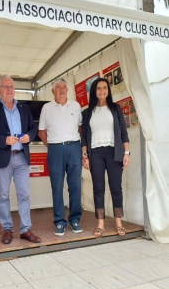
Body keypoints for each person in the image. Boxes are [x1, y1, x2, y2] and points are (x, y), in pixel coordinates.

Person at [0, 75, 41, 245]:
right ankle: (7, 229)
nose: (9, 89)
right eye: (5, 86)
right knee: (3, 196)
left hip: (21, 157)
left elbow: (32, 128)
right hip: (1, 159)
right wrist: (4, 140)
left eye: (11, 86)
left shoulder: (23, 108)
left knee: (24, 195)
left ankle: (25, 230)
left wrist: (29, 137)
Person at [81, 78, 130, 237]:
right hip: (95, 153)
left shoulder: (115, 109)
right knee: (98, 189)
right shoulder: (88, 113)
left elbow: (123, 133)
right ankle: (100, 224)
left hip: (114, 152)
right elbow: (84, 137)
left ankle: (118, 222)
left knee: (116, 188)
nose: (102, 91)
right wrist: (85, 156)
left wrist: (126, 153)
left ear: (108, 91)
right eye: (99, 88)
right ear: (94, 92)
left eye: (104, 88)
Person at [38, 78, 83, 236]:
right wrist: (52, 146)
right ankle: (59, 221)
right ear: (53, 91)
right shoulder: (47, 107)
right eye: (58, 87)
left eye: (64, 87)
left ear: (67, 90)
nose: (62, 90)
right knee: (57, 186)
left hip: (74, 147)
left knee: (75, 185)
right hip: (55, 149)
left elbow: (80, 127)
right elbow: (41, 131)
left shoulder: (76, 106)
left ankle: (75, 219)